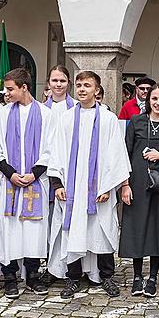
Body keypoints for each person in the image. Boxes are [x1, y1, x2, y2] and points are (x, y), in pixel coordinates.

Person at [48, 71, 130, 298]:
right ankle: (73, 277)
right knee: (73, 231)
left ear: (97, 90)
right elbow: (57, 152)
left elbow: (116, 154)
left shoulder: (107, 119)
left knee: (101, 231)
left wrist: (107, 187)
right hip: (72, 189)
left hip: (98, 189)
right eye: (79, 85)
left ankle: (106, 275)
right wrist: (57, 184)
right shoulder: (66, 119)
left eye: (87, 85)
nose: (82, 89)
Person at [0, 68, 56, 298]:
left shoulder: (46, 115)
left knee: (33, 230)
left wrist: (35, 173)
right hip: (8, 182)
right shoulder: (2, 115)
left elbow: (52, 147)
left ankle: (33, 276)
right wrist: (10, 172)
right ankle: (9, 276)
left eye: (10, 89)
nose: (6, 93)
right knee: (8, 229)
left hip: (35, 182)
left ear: (24, 87)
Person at [120, 83, 159, 299]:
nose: (158, 103)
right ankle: (137, 277)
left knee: (157, 229)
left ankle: (152, 277)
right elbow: (124, 154)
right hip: (136, 183)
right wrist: (125, 185)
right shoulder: (136, 122)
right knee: (137, 229)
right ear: (148, 100)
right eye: (155, 98)